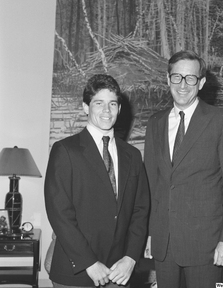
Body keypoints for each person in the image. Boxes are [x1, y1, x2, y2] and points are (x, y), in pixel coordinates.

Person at [144, 50, 223, 288]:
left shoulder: (222, 120)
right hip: (164, 243)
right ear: (168, 79)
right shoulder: (155, 123)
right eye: (177, 77)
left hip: (206, 244)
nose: (183, 84)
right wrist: (149, 233)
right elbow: (151, 184)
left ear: (200, 83)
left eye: (190, 78)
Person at [44, 74, 150, 288]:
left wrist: (130, 258)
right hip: (77, 271)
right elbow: (59, 213)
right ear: (86, 107)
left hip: (119, 273)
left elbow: (140, 210)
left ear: (119, 109)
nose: (106, 111)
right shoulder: (65, 150)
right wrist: (89, 263)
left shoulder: (133, 155)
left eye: (112, 104)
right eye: (98, 103)